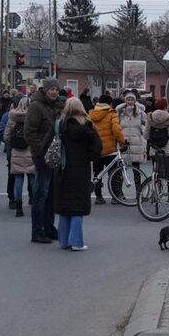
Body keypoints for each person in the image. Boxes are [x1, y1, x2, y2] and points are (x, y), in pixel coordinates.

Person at [47, 98, 103, 250]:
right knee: (78, 205)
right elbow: (97, 149)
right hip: (81, 169)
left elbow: (47, 144)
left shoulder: (59, 125)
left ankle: (64, 241)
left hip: (62, 169)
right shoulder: (88, 126)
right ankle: (76, 241)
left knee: (64, 205)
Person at [25, 80, 64, 243]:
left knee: (52, 193)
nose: (54, 92)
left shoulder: (56, 106)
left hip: (54, 155)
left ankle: (49, 227)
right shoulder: (36, 106)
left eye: (56, 89)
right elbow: (29, 132)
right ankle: (37, 230)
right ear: (45, 90)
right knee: (41, 192)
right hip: (42, 155)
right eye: (52, 89)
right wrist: (41, 150)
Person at [88, 94, 126, 204]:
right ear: (110, 103)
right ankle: (116, 196)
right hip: (110, 150)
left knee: (97, 174)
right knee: (115, 174)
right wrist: (123, 143)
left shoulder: (91, 114)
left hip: (96, 150)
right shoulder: (111, 113)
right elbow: (117, 131)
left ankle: (99, 197)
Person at [144, 98, 169, 198]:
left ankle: (156, 193)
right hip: (168, 150)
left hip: (154, 150)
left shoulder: (150, 118)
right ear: (165, 106)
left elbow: (145, 135)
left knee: (156, 172)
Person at [5, 97, 36, 216]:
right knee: (32, 177)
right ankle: (34, 202)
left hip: (17, 151)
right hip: (30, 150)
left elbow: (6, 136)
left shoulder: (13, 117)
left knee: (18, 178)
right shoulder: (33, 117)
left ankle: (18, 206)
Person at [116, 90, 146, 193]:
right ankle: (119, 192)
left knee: (136, 170)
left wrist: (143, 133)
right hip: (123, 143)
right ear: (125, 101)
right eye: (128, 99)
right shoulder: (120, 112)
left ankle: (139, 192)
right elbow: (116, 125)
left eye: (132, 99)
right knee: (121, 170)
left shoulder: (140, 113)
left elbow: (146, 125)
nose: (130, 101)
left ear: (135, 101)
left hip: (136, 144)